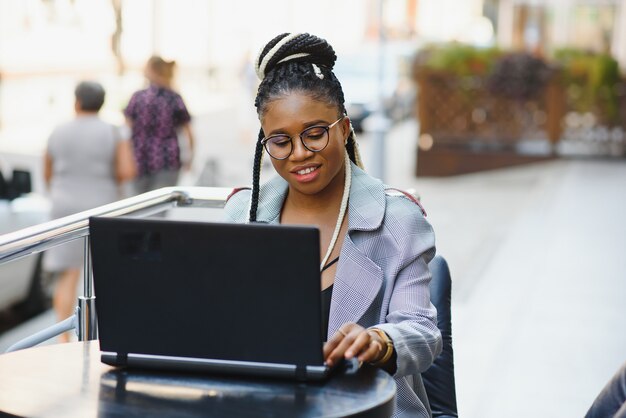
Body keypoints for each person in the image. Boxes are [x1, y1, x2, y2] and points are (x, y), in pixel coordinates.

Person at [224, 33, 442, 418]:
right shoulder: (243, 214)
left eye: (315, 133)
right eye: (280, 141)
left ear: (343, 128)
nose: (300, 154)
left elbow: (423, 334)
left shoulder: (398, 220)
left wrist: (380, 342)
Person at [44, 81, 136, 342]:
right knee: (104, 274)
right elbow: (127, 171)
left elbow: (47, 172)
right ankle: (101, 339)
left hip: (64, 207)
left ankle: (64, 342)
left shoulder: (58, 131)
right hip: (102, 205)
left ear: (77, 101)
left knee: (68, 275)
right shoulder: (113, 131)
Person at [124, 56, 195, 194]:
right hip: (167, 160)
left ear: (150, 71)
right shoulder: (174, 98)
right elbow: (189, 133)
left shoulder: (137, 97)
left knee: (138, 209)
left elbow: (126, 131)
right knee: (160, 209)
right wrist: (190, 158)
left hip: (139, 159)